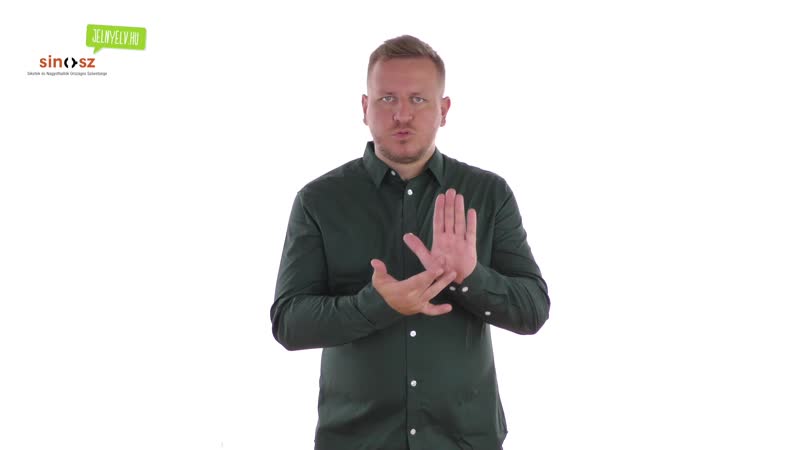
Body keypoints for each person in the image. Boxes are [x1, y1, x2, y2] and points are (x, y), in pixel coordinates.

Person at [271, 34, 550, 450]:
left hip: (464, 441)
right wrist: (376, 305)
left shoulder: (489, 194)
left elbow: (532, 311)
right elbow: (289, 324)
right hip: (357, 441)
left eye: (418, 99)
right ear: (364, 108)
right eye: (387, 99)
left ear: (444, 110)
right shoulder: (319, 201)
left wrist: (470, 276)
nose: (402, 114)